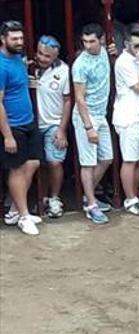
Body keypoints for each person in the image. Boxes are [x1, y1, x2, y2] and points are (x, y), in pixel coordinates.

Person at [0, 20, 41, 235]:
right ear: (3, 39)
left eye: (21, 38)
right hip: (13, 126)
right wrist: (7, 135)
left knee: (32, 163)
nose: (19, 42)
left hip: (28, 121)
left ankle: (16, 210)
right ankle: (24, 216)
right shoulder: (0, 65)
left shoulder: (17, 58)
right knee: (16, 169)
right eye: (14, 38)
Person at [72, 23, 114, 224]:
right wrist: (88, 127)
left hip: (101, 114)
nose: (88, 45)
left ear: (101, 40)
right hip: (85, 116)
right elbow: (79, 98)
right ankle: (91, 204)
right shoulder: (80, 64)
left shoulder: (105, 52)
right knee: (88, 163)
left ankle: (87, 196)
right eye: (85, 41)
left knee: (107, 158)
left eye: (92, 41)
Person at [113, 23, 139, 216]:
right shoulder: (124, 62)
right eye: (136, 46)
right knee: (129, 160)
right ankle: (130, 199)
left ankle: (134, 195)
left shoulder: (137, 58)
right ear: (127, 43)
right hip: (128, 117)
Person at [33, 35, 71, 219]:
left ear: (55, 56)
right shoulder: (27, 66)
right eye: (40, 53)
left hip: (53, 123)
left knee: (54, 161)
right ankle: (38, 197)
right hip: (31, 123)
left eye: (47, 56)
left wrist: (62, 130)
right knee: (32, 163)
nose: (42, 58)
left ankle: (54, 197)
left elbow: (67, 101)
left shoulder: (64, 71)